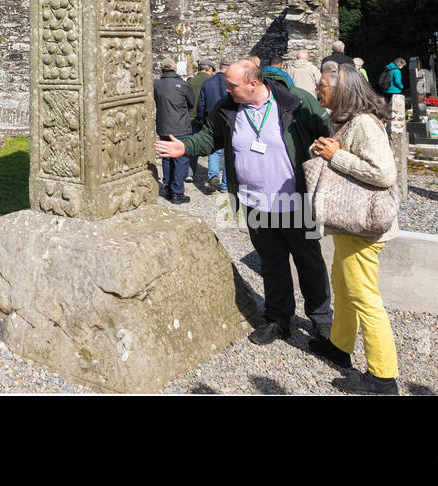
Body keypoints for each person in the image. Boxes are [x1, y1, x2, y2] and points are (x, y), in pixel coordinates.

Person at [156, 60, 334, 347]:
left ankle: (322, 321)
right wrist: (184, 147)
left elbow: (327, 133)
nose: (226, 89)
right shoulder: (228, 107)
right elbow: (209, 137)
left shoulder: (296, 102)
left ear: (253, 84)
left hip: (294, 200)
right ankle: (278, 319)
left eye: (232, 85)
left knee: (309, 262)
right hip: (254, 202)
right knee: (271, 262)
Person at [309, 61, 400, 395]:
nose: (317, 89)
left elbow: (384, 174)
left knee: (364, 297)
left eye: (322, 85)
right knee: (344, 286)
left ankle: (383, 378)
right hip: (353, 226)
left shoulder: (362, 123)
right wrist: (327, 149)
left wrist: (336, 157)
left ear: (341, 90)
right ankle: (339, 346)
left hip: (364, 228)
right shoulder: (347, 121)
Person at [154, 59, 198, 203]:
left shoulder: (155, 85)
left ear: (161, 70)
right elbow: (192, 103)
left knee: (166, 157)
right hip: (181, 127)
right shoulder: (183, 85)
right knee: (181, 159)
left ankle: (167, 187)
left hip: (163, 127)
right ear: (175, 70)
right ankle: (177, 192)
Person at [196, 61, 230, 191]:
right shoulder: (232, 82)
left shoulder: (208, 82)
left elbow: (201, 104)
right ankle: (226, 185)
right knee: (228, 152)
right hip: (229, 120)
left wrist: (202, 120)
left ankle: (213, 175)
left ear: (219, 68)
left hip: (213, 120)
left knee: (214, 150)